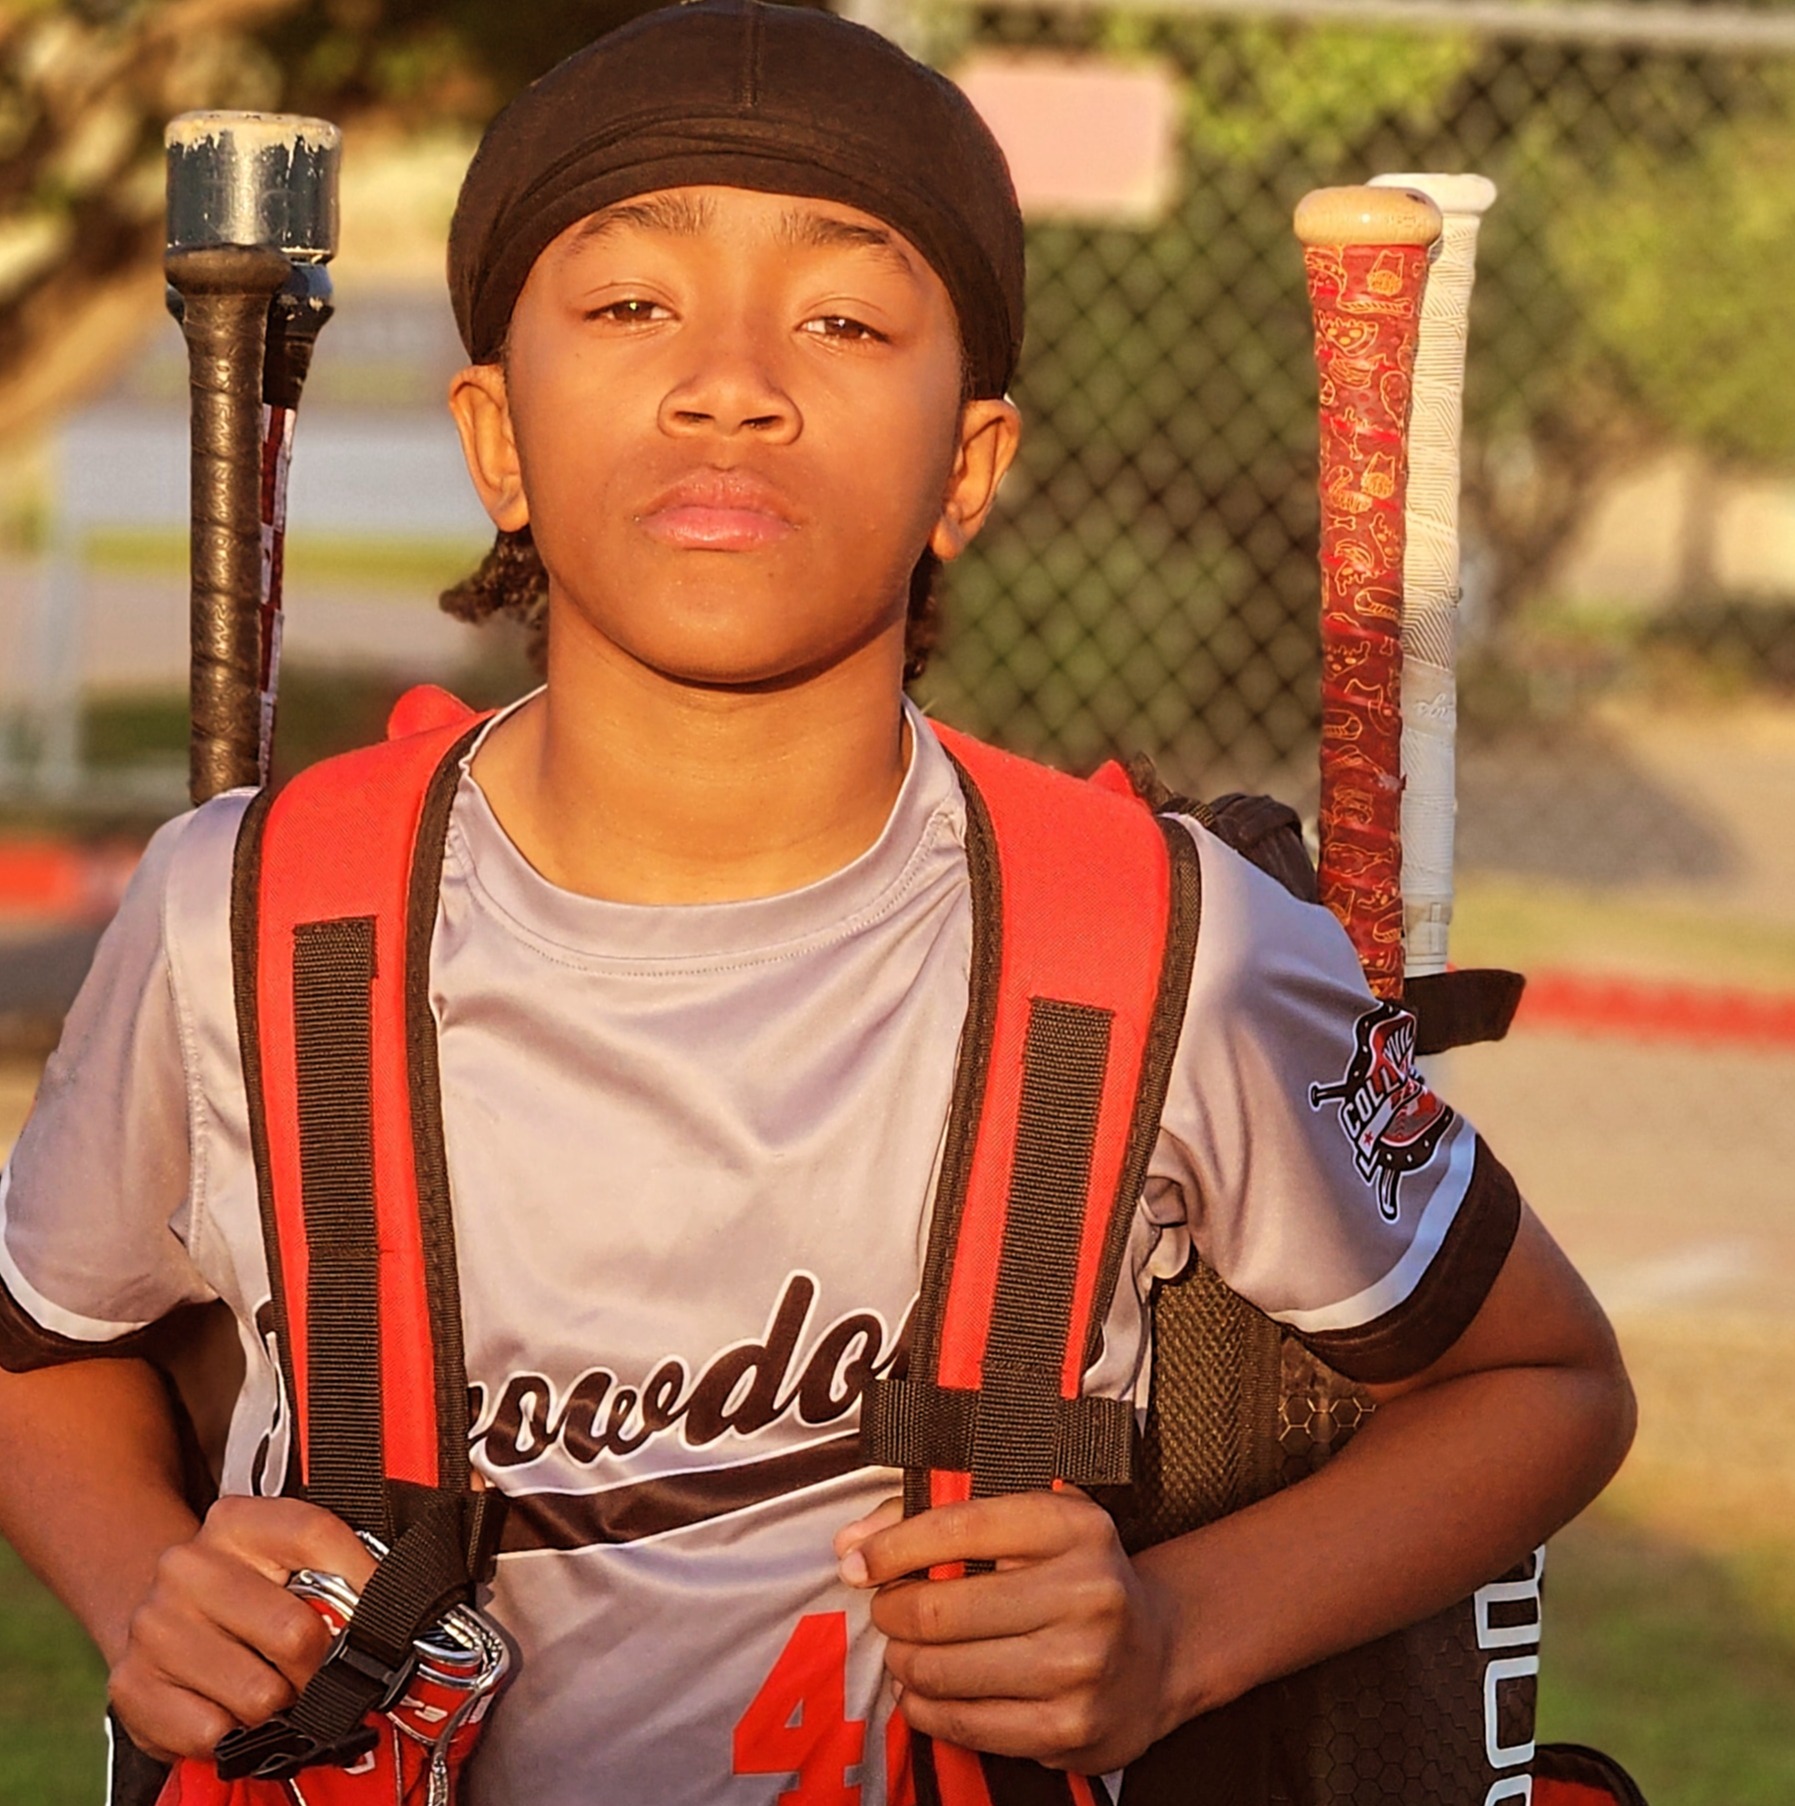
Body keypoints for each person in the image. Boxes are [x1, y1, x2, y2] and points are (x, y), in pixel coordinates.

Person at [0, 3, 1634, 1800]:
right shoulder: (245, 914)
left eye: (844, 320)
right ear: (496, 438)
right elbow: (38, 1350)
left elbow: (1542, 1383)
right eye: (632, 305)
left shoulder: (1166, 946)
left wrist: (1175, 1635)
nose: (731, 382)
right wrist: (145, 1576)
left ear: (969, 469)